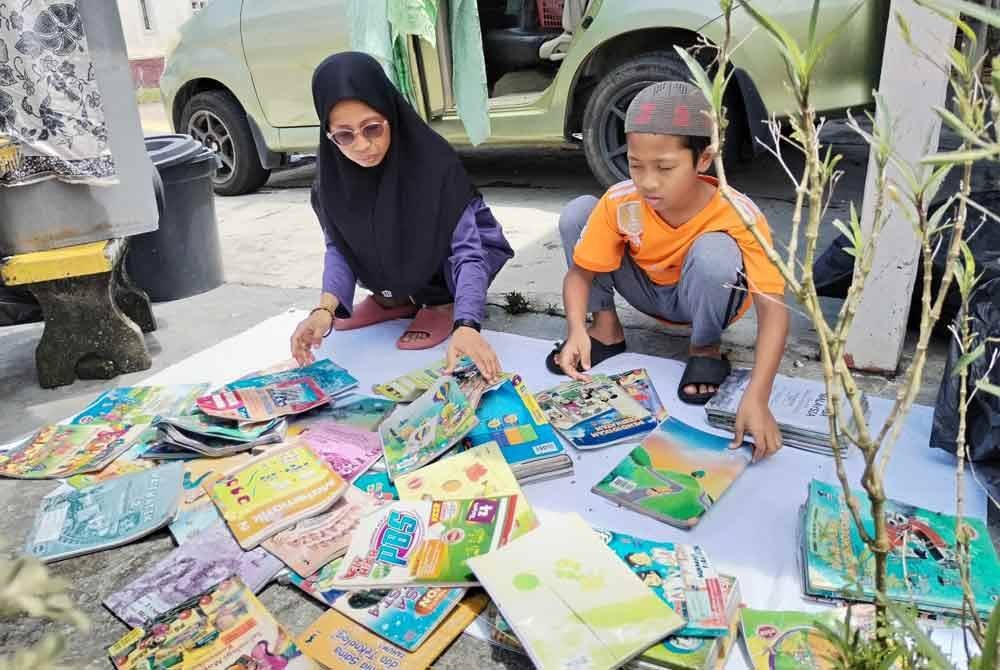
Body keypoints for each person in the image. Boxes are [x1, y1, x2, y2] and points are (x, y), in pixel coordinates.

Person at [547, 81, 789, 462]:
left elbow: (773, 308)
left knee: (714, 253)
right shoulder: (624, 199)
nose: (647, 182)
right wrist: (576, 328)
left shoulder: (738, 212)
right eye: (635, 165)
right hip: (646, 290)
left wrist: (757, 396)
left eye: (664, 167)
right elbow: (580, 274)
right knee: (580, 212)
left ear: (704, 159)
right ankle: (604, 331)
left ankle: (705, 347)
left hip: (705, 300)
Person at [290, 52, 514, 380]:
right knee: (361, 234)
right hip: (398, 269)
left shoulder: (435, 166)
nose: (363, 145)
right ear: (329, 135)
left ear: (390, 115)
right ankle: (393, 300)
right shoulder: (330, 181)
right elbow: (339, 247)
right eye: (344, 135)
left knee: (442, 242)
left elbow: (469, 253)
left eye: (372, 128)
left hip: (451, 268)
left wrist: (467, 323)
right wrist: (324, 309)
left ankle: (439, 303)